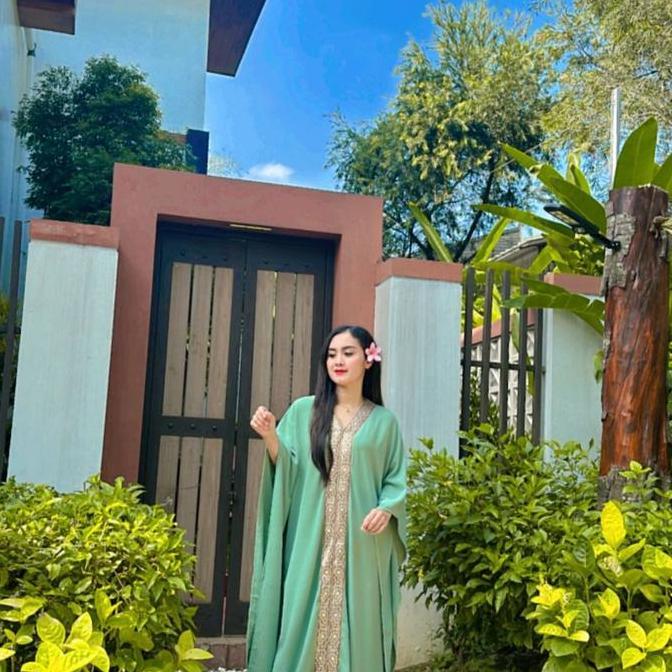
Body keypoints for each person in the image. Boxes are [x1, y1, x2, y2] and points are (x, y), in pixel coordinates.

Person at [246, 324, 407, 672]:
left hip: (361, 548)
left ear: (368, 360)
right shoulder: (304, 411)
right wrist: (271, 436)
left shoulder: (385, 423)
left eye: (348, 353)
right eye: (332, 354)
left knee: (361, 625)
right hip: (309, 541)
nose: (338, 361)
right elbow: (287, 466)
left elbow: (395, 481)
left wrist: (386, 509)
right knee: (297, 617)